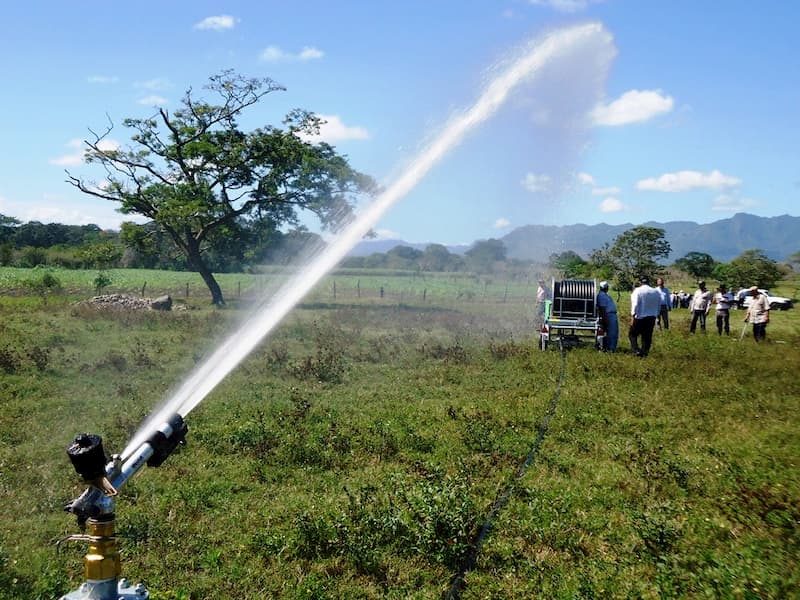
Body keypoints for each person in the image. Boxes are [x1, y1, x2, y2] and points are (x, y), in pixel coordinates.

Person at [628, 275, 661, 357]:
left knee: (632, 334)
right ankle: (645, 352)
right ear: (648, 282)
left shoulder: (638, 291)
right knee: (647, 336)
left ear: (640, 282)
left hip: (640, 317)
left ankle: (636, 350)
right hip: (651, 317)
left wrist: (633, 316)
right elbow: (658, 304)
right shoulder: (655, 291)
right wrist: (656, 315)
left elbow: (635, 304)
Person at [596, 280, 618, 351]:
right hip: (609, 315)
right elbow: (602, 308)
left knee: (613, 332)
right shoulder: (601, 296)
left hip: (611, 315)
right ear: (605, 288)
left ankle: (610, 347)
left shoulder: (604, 295)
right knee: (612, 333)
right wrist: (605, 319)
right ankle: (611, 348)